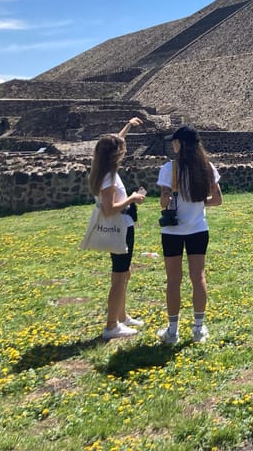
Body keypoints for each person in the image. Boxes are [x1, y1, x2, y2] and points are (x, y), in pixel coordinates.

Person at [156, 125, 222, 344]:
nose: (172, 145)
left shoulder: (169, 169)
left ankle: (173, 330)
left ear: (181, 144)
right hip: (198, 229)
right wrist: (199, 203)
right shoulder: (207, 168)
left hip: (173, 231)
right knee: (198, 277)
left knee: (174, 280)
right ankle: (198, 328)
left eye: (174, 141)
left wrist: (167, 197)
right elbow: (217, 200)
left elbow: (164, 203)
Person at [88, 117, 147, 341]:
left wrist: (128, 126)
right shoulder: (109, 177)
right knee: (119, 277)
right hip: (120, 225)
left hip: (123, 226)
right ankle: (112, 325)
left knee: (125, 272)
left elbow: (115, 141)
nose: (124, 150)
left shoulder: (100, 167)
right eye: (121, 149)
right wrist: (133, 198)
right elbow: (110, 208)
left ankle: (121, 315)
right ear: (115, 155)